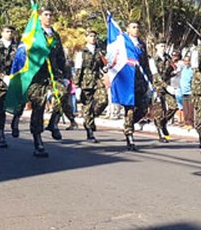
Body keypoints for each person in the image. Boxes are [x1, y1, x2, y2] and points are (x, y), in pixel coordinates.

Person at [26, 6, 72, 157]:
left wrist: (65, 76)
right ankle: (38, 140)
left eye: (51, 15)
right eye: (45, 14)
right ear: (39, 17)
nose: (49, 17)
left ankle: (53, 123)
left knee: (63, 94)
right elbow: (24, 53)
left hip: (53, 74)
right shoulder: (33, 33)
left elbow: (60, 58)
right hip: (37, 76)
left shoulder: (55, 35)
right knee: (38, 107)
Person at [116, 20, 153, 151]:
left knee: (143, 108)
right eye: (133, 27)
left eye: (138, 27)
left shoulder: (141, 45)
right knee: (130, 109)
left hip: (140, 80)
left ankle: (128, 125)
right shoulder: (123, 43)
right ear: (128, 29)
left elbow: (146, 64)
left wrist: (150, 80)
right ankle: (129, 137)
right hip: (128, 80)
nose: (136, 29)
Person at [74, 29, 108, 142]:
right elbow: (78, 69)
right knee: (87, 106)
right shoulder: (81, 52)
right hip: (85, 81)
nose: (93, 38)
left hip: (97, 79)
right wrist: (77, 86)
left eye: (94, 36)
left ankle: (90, 118)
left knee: (103, 100)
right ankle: (89, 131)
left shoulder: (99, 51)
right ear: (86, 38)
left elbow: (103, 65)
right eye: (90, 36)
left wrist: (105, 67)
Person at [150, 42, 179, 143]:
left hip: (167, 85)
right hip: (158, 87)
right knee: (159, 110)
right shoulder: (152, 60)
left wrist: (173, 72)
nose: (163, 48)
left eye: (164, 46)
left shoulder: (167, 58)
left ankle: (163, 123)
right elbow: (156, 76)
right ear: (157, 47)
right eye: (161, 46)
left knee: (174, 106)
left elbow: (170, 70)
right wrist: (166, 86)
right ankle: (160, 133)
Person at [180, 55, 194, 129]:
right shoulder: (184, 69)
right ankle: (186, 122)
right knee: (185, 109)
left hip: (190, 92)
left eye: (187, 61)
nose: (186, 62)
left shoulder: (192, 69)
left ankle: (191, 123)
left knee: (190, 109)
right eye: (185, 61)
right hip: (184, 91)